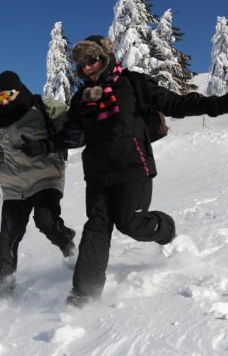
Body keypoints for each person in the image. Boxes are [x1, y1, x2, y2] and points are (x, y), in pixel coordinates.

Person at [18, 35, 228, 307]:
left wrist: (219, 104)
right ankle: (84, 294)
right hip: (96, 173)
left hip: (133, 167)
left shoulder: (133, 84)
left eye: (91, 60)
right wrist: (41, 147)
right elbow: (70, 136)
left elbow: (177, 103)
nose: (87, 68)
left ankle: (165, 228)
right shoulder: (81, 98)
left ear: (105, 58)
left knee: (130, 224)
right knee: (96, 227)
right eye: (81, 64)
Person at [0, 71, 76, 298]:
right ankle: (4, 287)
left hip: (46, 177)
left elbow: (73, 129)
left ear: (19, 89)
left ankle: (67, 245)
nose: (4, 102)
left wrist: (46, 144)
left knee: (45, 221)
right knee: (8, 235)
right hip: (14, 184)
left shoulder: (45, 107)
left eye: (8, 95)